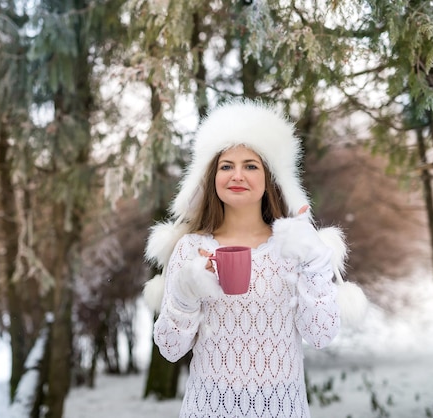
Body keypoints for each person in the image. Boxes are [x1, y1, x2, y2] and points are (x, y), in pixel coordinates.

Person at [143, 99, 365, 418]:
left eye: (250, 165)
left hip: (282, 409)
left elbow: (320, 335)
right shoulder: (191, 248)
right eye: (226, 165)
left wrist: (316, 264)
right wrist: (184, 294)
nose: (238, 175)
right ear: (210, 177)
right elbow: (170, 348)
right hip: (208, 408)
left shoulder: (295, 246)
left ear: (269, 177)